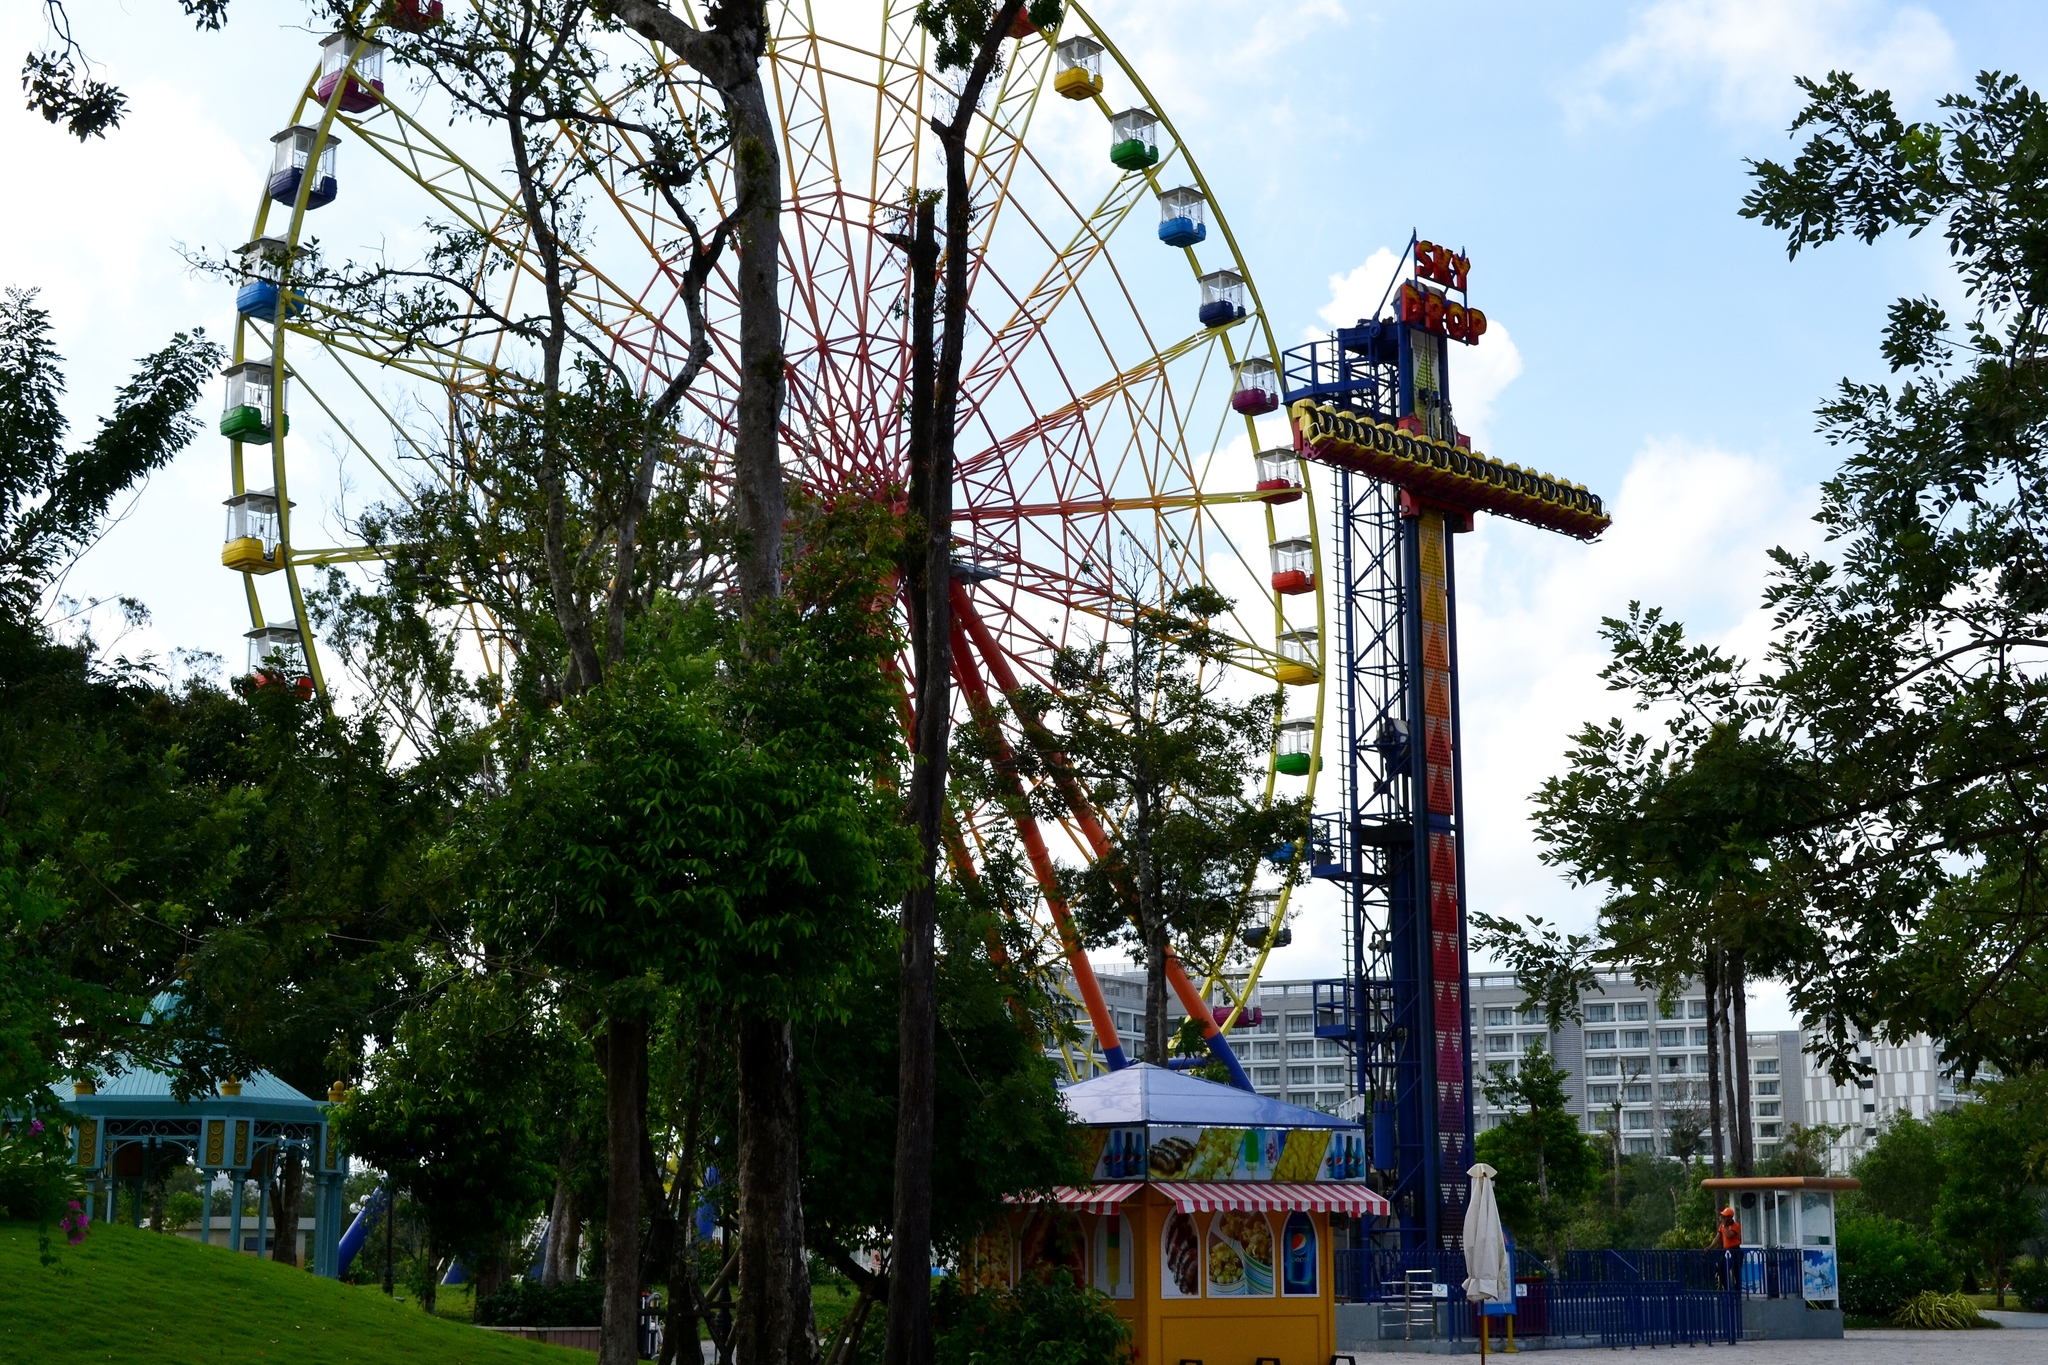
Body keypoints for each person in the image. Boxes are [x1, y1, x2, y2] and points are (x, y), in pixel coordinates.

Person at [1704, 1206, 1742, 1288]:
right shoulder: (1722, 1226)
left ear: (1730, 1217)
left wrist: (1724, 1225)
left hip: (1735, 1251)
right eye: (1723, 1216)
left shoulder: (1736, 1226)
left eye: (1725, 1216)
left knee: (1736, 1272)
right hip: (1726, 1251)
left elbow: (1728, 1235)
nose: (1723, 1218)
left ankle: (1737, 1291)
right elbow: (1717, 1238)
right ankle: (1727, 1288)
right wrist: (1710, 1247)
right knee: (1722, 1269)